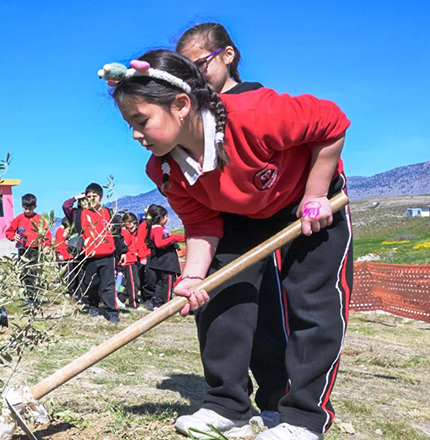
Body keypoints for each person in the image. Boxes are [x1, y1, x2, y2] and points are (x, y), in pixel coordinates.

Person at [107, 49, 351, 440]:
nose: (136, 135)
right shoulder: (164, 169)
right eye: (129, 125)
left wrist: (316, 193)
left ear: (181, 105)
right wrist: (193, 277)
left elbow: (332, 121)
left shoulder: (253, 114)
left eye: (141, 121)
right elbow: (201, 223)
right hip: (239, 214)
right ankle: (227, 405)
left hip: (307, 203)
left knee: (312, 303)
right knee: (218, 293)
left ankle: (305, 417)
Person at [178, 22, 286, 429]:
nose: (194, 77)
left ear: (228, 55)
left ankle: (276, 398)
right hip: (225, 221)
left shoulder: (257, 102)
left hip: (275, 215)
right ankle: (227, 402)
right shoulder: (192, 114)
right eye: (186, 71)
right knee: (222, 304)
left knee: (270, 313)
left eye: (200, 65)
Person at [63, 184, 120, 324]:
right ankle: (93, 305)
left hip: (107, 255)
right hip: (90, 256)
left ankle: (112, 311)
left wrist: (123, 251)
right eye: (88, 197)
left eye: (94, 196)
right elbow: (66, 208)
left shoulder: (108, 213)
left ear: (101, 197)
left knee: (108, 284)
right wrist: (77, 197)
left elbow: (117, 234)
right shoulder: (81, 214)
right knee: (91, 283)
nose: (91, 199)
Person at [5, 193, 51, 299]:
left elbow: (46, 234)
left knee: (33, 271)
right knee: (24, 271)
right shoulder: (19, 218)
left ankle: (33, 293)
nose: (27, 211)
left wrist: (47, 246)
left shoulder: (40, 219)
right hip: (23, 249)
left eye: (30, 209)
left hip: (36, 249)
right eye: (25, 208)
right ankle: (26, 292)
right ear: (22, 206)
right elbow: (9, 231)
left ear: (35, 207)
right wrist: (13, 236)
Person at [143, 205, 185, 309]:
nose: (167, 219)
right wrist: (172, 239)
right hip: (166, 263)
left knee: (159, 283)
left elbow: (171, 237)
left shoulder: (155, 228)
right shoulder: (158, 229)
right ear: (160, 217)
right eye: (166, 216)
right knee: (167, 284)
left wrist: (185, 237)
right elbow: (159, 243)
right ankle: (167, 304)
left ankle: (158, 303)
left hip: (159, 262)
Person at [118, 212, 142, 308]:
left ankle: (121, 298)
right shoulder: (124, 233)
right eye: (131, 222)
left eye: (135, 223)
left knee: (134, 283)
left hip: (132, 259)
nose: (134, 225)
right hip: (128, 260)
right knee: (133, 283)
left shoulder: (131, 233)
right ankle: (134, 303)